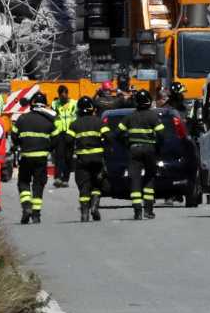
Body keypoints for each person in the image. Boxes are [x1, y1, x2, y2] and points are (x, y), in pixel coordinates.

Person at [117, 88, 169, 220]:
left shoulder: (130, 116)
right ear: (148, 101)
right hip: (149, 150)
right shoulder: (152, 116)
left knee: (135, 179)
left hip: (133, 150)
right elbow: (162, 135)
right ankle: (149, 210)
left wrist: (126, 143)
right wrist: (157, 147)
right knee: (150, 177)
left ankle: (137, 211)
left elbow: (117, 133)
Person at [12, 93, 59, 225]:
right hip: (41, 158)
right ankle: (36, 214)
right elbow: (55, 140)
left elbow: (14, 136)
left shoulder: (22, 119)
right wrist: (47, 149)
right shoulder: (49, 121)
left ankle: (26, 206)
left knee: (24, 183)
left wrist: (21, 145)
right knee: (38, 185)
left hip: (26, 157)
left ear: (31, 104)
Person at [69, 96, 109, 222]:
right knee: (97, 184)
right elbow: (109, 137)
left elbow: (68, 141)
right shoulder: (99, 122)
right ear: (92, 108)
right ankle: (94, 206)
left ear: (79, 110)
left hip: (82, 160)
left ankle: (84, 213)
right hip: (97, 159)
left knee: (84, 186)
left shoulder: (74, 124)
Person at [51, 86, 77, 188]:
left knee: (68, 157)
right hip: (59, 133)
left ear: (67, 94)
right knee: (59, 156)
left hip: (70, 133)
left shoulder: (74, 104)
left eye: (65, 96)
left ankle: (65, 179)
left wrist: (73, 132)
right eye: (61, 96)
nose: (63, 98)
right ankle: (58, 178)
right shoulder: (55, 104)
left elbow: (76, 118)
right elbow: (52, 118)